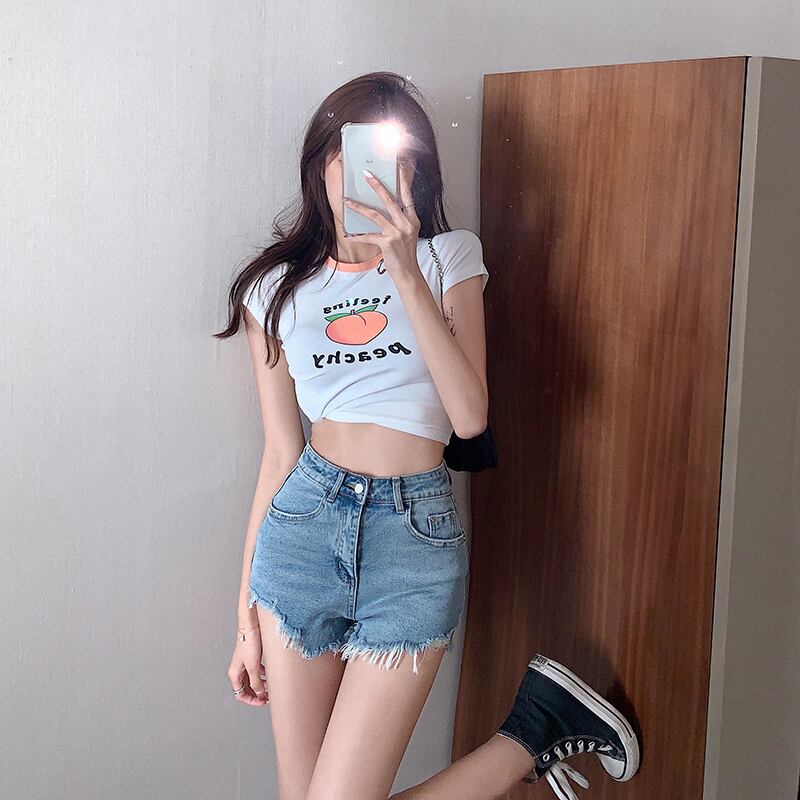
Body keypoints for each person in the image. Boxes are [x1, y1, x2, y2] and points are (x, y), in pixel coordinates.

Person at [215, 72, 640, 800]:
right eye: (355, 151)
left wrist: (406, 271)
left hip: (411, 536)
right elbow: (280, 452)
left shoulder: (449, 259)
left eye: (401, 160)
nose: (380, 174)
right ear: (322, 163)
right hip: (303, 531)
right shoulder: (275, 289)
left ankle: (528, 737)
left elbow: (469, 415)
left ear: (419, 173)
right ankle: (535, 731)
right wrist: (244, 617)